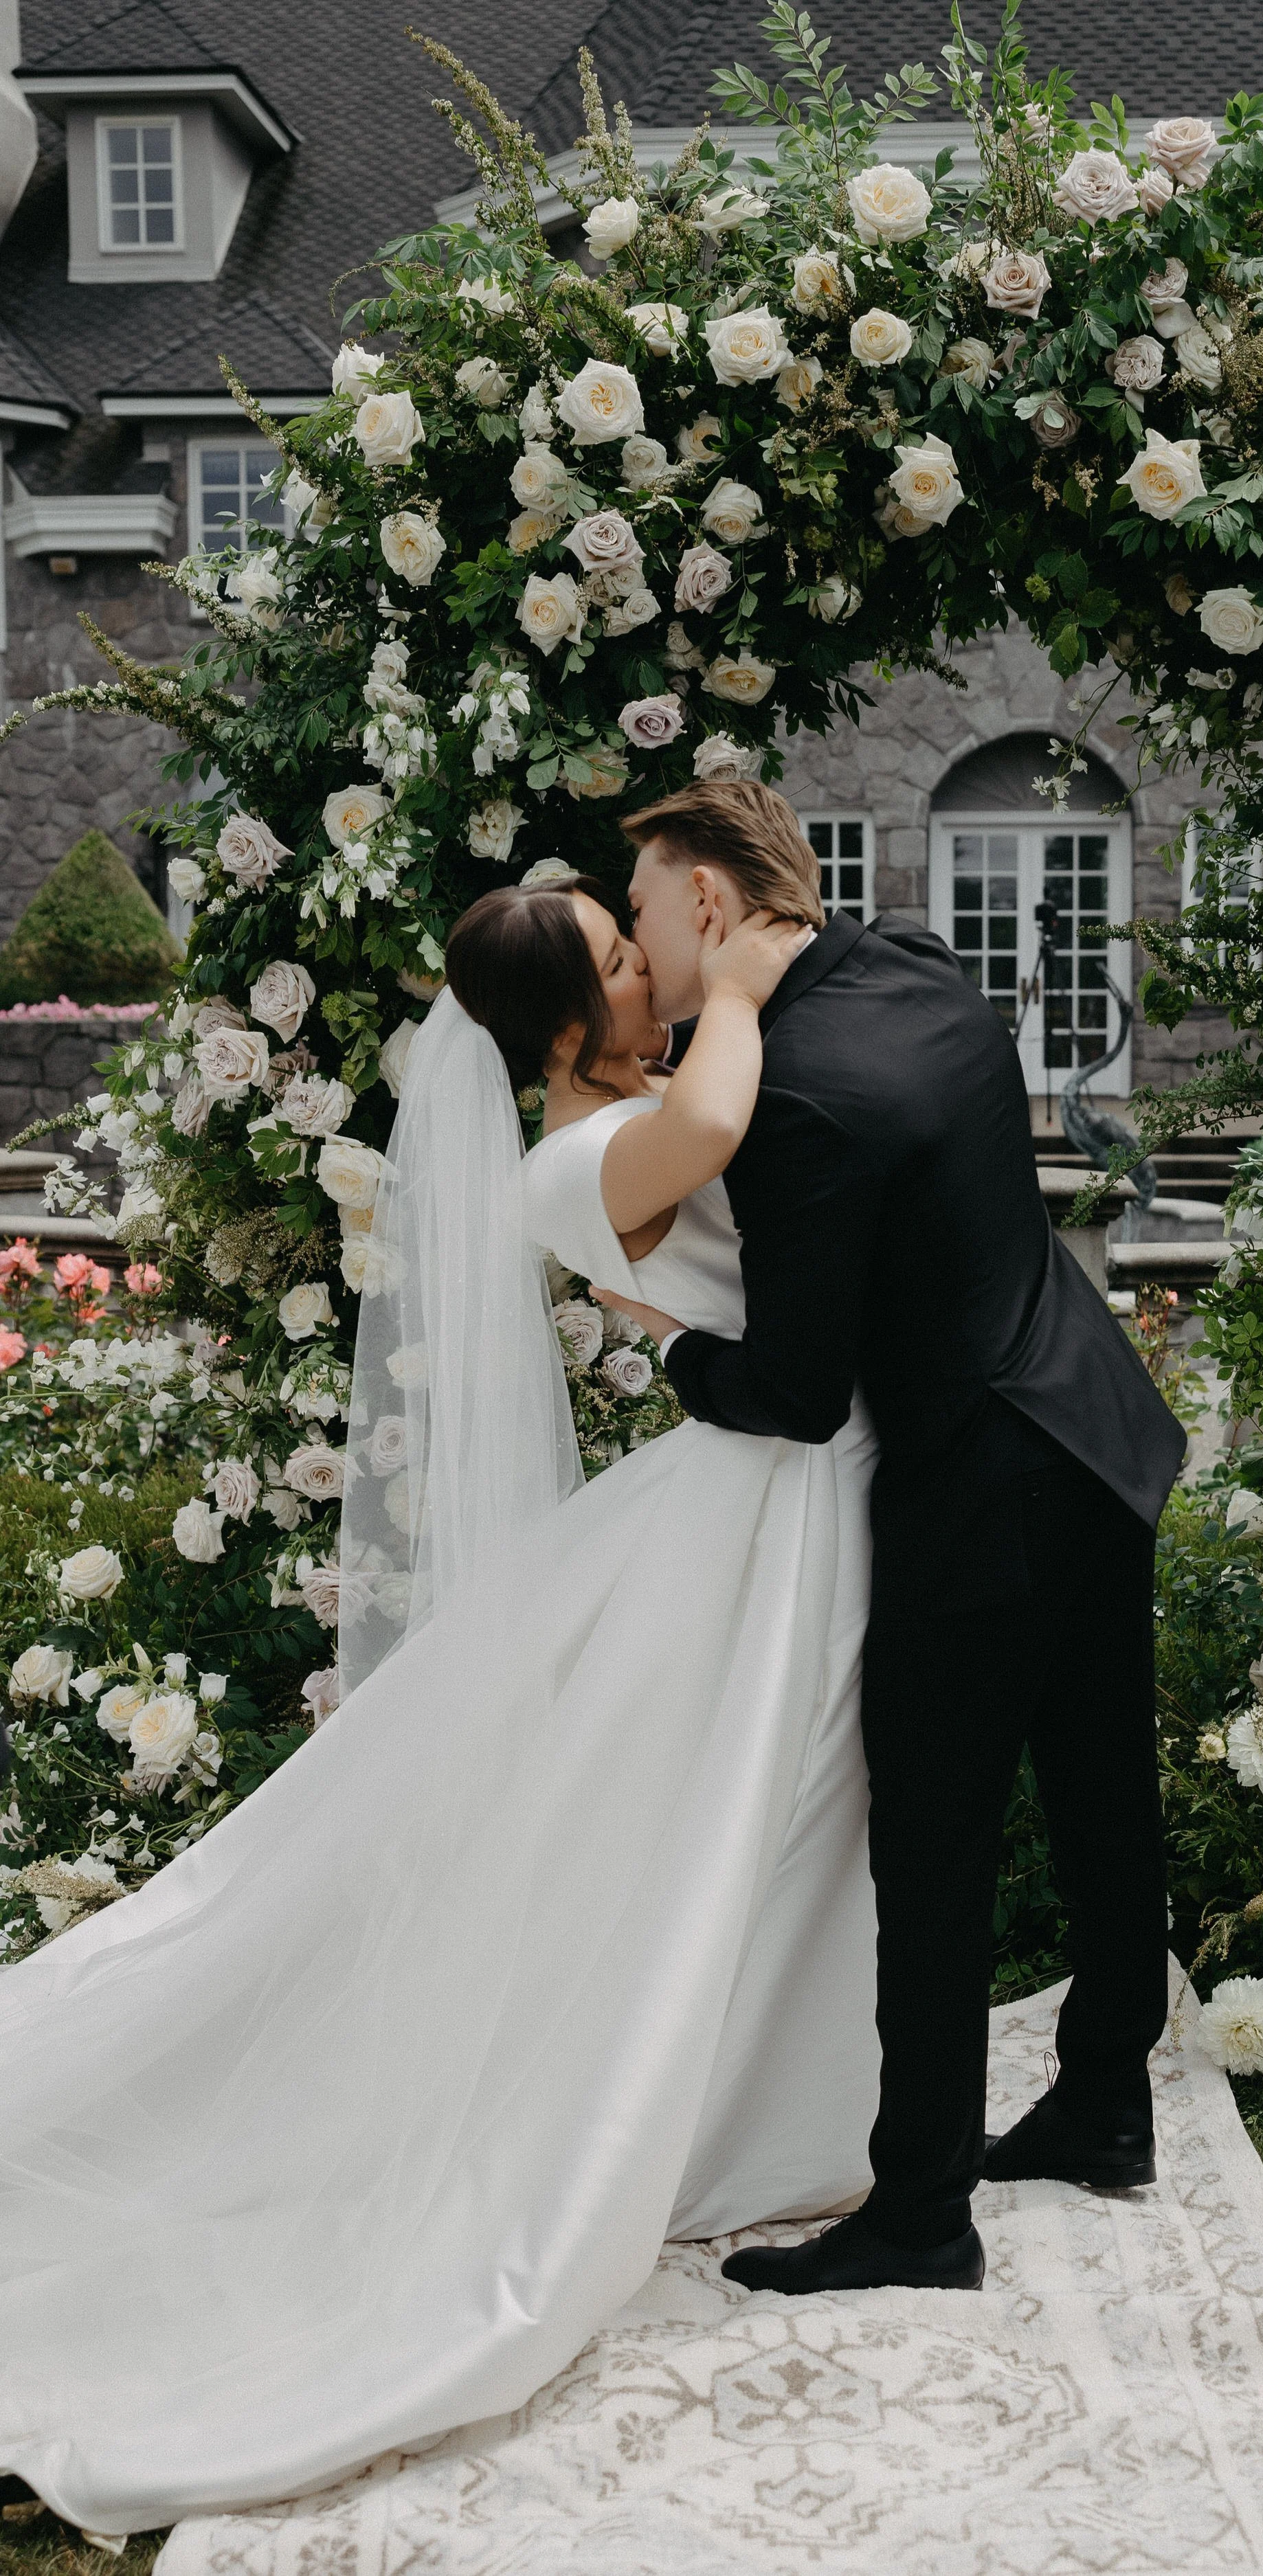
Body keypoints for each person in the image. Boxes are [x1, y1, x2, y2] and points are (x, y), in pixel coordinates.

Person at [0, 870, 882, 2540]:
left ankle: (761, 2096)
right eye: (629, 964)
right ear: (564, 1028)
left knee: (745, 1824)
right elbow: (707, 1130)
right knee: (712, 1825)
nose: (657, 975)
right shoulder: (580, 1155)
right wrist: (755, 986)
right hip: (750, 1507)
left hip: (761, 1499)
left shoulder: (621, 1102)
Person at [601, 782, 1187, 2298]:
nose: (644, 943)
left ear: (713, 907)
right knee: (1101, 1786)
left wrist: (653, 1349)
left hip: (976, 1493)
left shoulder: (793, 1096)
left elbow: (794, 1394)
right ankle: (1106, 2102)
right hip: (1098, 1427)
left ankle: (920, 2212)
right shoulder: (920, 967)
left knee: (931, 1848)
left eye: (650, 909)